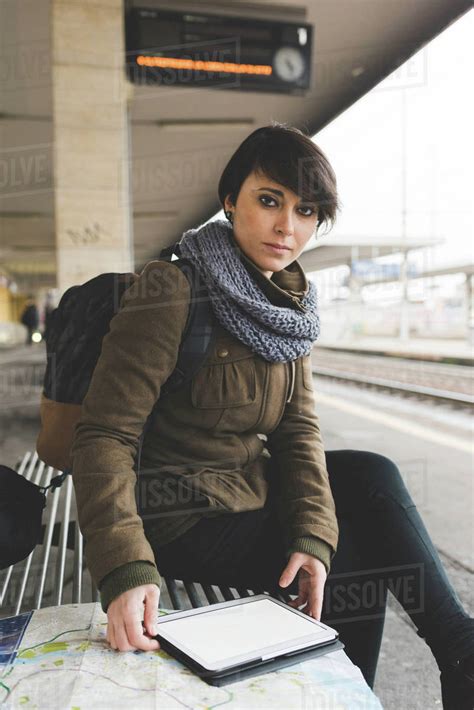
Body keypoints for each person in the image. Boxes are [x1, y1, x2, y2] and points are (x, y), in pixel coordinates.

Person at [71, 123, 473, 708]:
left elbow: (298, 429)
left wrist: (313, 536)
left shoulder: (286, 305)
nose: (288, 226)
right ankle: (360, 692)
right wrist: (125, 569)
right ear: (230, 199)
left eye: (306, 210)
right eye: (269, 201)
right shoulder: (174, 290)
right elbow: (105, 434)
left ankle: (456, 648)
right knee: (359, 556)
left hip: (245, 492)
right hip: (177, 515)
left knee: (368, 475)